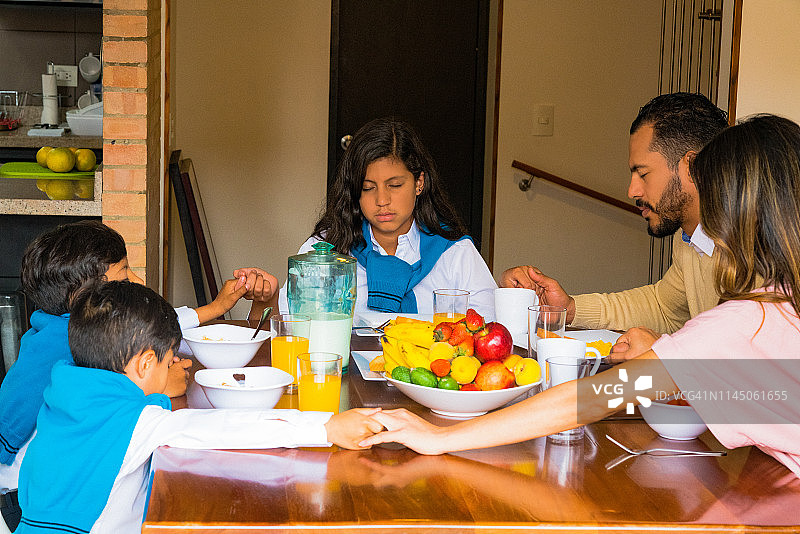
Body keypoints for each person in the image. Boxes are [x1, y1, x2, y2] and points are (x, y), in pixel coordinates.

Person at [360, 114, 800, 479]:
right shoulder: (781, 303)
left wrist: (439, 438)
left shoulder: (743, 323)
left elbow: (587, 399)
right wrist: (672, 358)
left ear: (735, 214)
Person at [14, 280, 382, 534]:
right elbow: (222, 427)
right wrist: (325, 427)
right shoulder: (134, 421)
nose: (176, 364)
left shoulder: (63, 389)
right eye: (170, 359)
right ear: (144, 365)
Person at [0, 221, 276, 531]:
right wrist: (159, 390)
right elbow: (113, 404)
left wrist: (216, 307)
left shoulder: (56, 327)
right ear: (87, 296)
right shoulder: (67, 345)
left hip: (48, 490)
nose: (138, 279)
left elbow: (139, 333)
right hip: (27, 503)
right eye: (124, 274)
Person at [502, 93, 730, 358]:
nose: (632, 190)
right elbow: (663, 308)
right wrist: (571, 308)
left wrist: (667, 354)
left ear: (692, 167)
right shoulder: (689, 238)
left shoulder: (758, 247)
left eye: (643, 174)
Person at [275, 117, 497, 319]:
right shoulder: (324, 250)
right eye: (368, 188)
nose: (382, 200)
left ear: (419, 183)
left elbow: (485, 326)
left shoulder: (454, 252)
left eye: (395, 185)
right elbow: (289, 323)